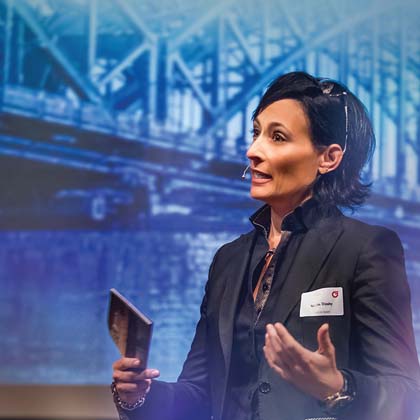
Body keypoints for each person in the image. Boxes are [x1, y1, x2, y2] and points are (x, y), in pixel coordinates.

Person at [111, 71, 420, 420]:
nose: (253, 151)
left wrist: (337, 386)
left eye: (277, 137)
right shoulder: (229, 259)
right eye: (256, 133)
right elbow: (200, 393)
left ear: (328, 158)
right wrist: (141, 395)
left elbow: (407, 393)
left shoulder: (365, 249)